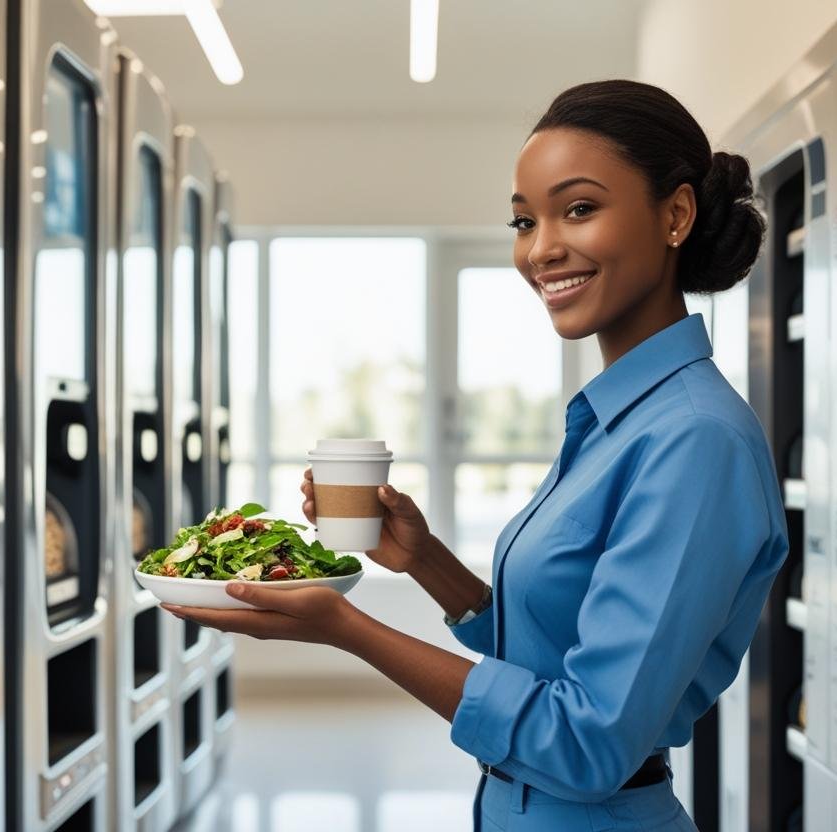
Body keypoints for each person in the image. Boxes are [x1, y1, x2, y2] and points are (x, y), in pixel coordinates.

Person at [164, 80, 789, 831]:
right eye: (524, 221)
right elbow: (552, 656)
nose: (542, 248)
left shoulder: (695, 441)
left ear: (676, 214)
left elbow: (589, 743)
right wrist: (427, 561)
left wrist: (347, 628)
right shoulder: (615, 420)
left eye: (579, 208)